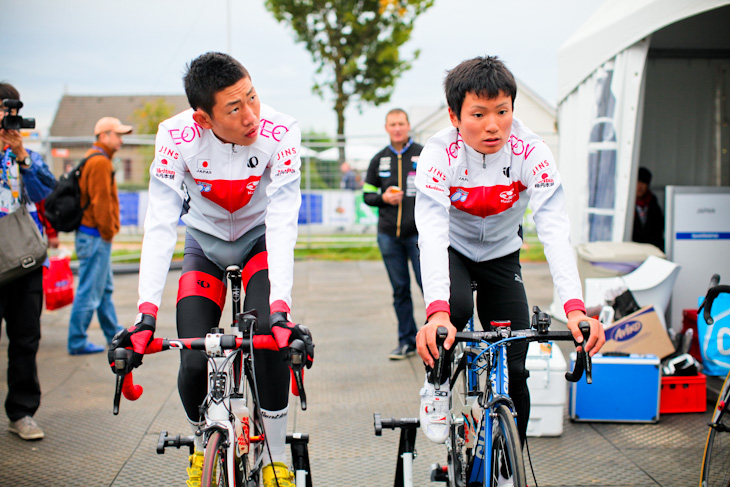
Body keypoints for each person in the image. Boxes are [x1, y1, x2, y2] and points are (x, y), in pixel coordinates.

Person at [108, 52, 313, 487]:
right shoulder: (175, 135)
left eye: (253, 97)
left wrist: (280, 309)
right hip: (204, 242)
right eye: (235, 108)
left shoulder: (281, 131)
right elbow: (160, 222)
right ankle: (205, 442)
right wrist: (145, 314)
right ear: (202, 118)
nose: (251, 115)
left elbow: (282, 220)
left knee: (266, 346)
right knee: (193, 358)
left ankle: (275, 455)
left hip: (259, 239)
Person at [414, 56, 605, 445]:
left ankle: (508, 461)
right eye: (479, 114)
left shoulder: (531, 151)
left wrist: (575, 308)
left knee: (516, 362)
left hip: (502, 255)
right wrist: (436, 312)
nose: (493, 125)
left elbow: (554, 228)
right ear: (454, 117)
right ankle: (437, 385)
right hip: (454, 249)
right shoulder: (438, 154)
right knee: (456, 313)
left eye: (503, 111)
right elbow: (431, 231)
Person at [0, 82, 56, 440]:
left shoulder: (25, 154)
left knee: (25, 338)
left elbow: (46, 191)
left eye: (14, 114)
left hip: (23, 259)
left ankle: (22, 412)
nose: (10, 120)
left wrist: (21, 156)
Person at [364, 108, 424, 360]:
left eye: (401, 123)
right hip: (389, 235)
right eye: (392, 124)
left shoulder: (423, 154)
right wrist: (384, 198)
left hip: (419, 235)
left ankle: (442, 339)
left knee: (430, 288)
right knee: (400, 290)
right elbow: (367, 195)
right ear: (387, 128)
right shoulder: (379, 159)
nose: (397, 128)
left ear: (408, 126)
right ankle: (406, 341)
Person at [66, 117, 128, 355]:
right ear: (104, 136)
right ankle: (77, 340)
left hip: (91, 235)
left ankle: (114, 333)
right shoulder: (100, 162)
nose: (121, 140)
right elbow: (101, 202)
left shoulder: (95, 158)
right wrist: (108, 231)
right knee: (90, 291)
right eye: (117, 135)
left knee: (102, 290)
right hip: (95, 236)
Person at [632, 166, 664, 251]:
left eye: (643, 183)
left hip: (650, 250)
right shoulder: (627, 206)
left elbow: (659, 230)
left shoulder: (653, 204)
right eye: (637, 182)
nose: (640, 186)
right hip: (632, 250)